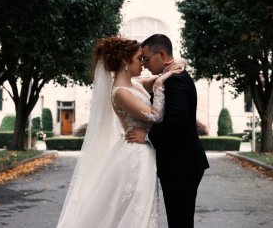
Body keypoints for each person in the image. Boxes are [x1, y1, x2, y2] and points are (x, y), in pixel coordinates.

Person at [56, 37, 183, 228]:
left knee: (143, 207)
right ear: (126, 61)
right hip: (136, 154)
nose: (143, 63)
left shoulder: (136, 84)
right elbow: (155, 116)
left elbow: (164, 73)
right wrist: (159, 85)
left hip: (144, 150)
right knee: (136, 208)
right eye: (139, 58)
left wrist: (175, 65)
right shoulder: (120, 92)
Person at [126, 34, 210, 228]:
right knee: (179, 219)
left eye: (146, 58)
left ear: (161, 54)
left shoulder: (176, 80)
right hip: (180, 164)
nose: (144, 64)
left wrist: (146, 136)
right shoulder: (169, 77)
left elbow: (176, 122)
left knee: (180, 221)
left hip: (182, 165)